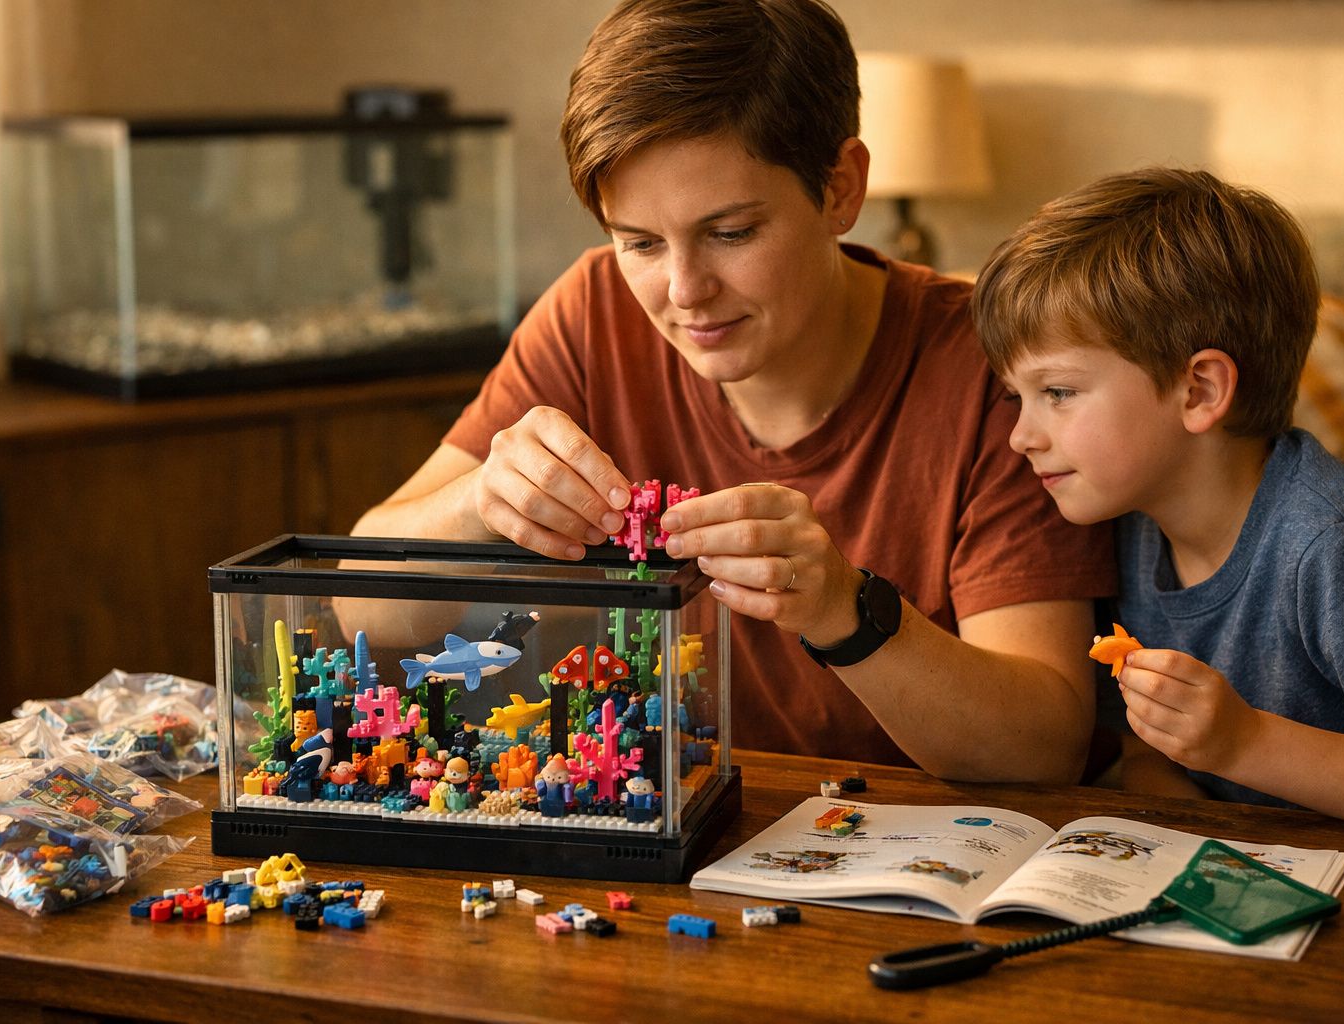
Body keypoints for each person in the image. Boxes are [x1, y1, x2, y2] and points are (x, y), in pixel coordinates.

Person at [354, 0, 1115, 782]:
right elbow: (359, 611)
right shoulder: (591, 315)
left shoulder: (991, 368)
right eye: (640, 243)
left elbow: (1046, 746)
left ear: (841, 190)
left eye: (731, 233)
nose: (684, 292)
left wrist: (844, 611)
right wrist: (479, 501)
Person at [973, 167, 1344, 826]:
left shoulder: (1340, 546)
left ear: (1200, 391)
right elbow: (1150, 744)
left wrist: (1245, 744)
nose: (1021, 436)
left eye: (1058, 393)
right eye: (1014, 397)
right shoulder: (1127, 527)